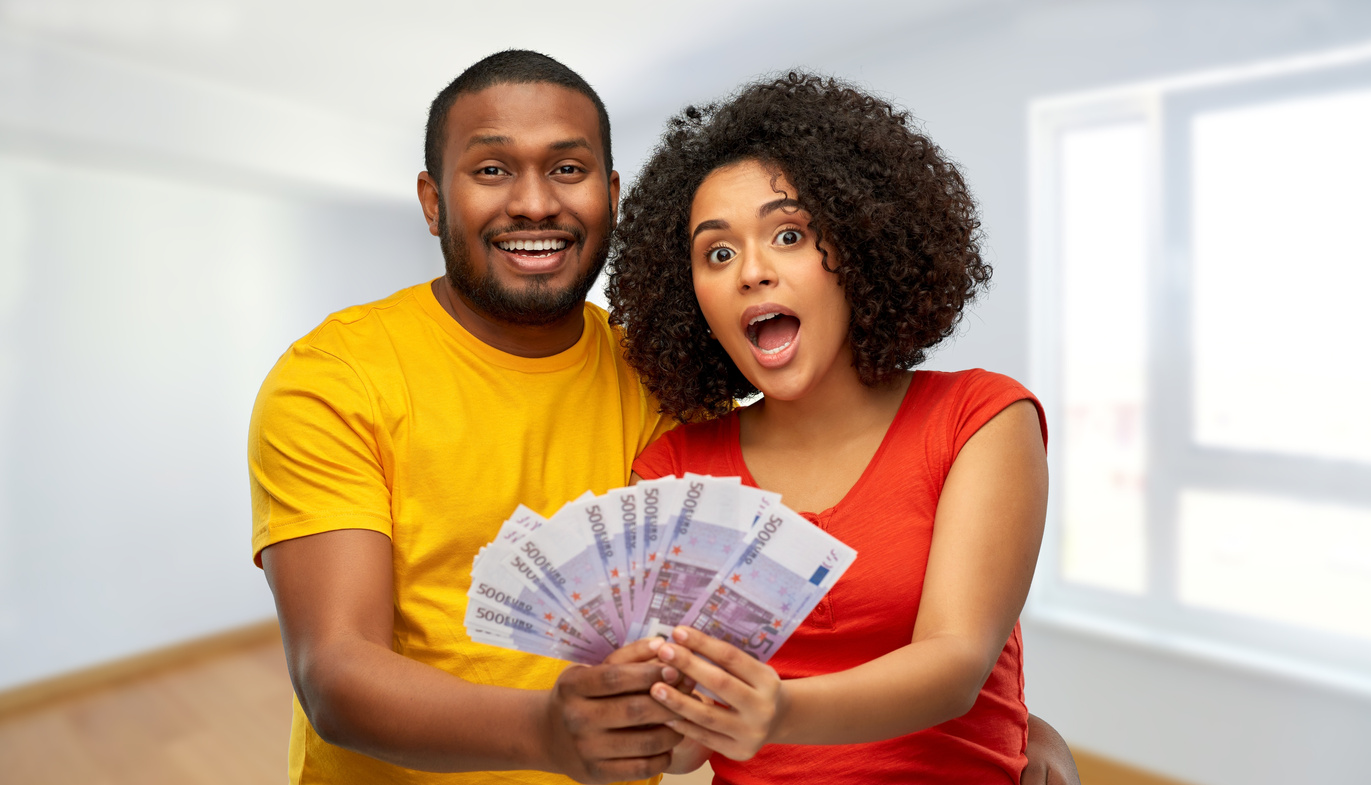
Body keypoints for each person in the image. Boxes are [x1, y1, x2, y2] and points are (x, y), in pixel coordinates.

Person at [250, 49, 1078, 785]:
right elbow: (334, 672)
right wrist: (551, 728)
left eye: (567, 169)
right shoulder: (335, 379)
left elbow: (920, 637)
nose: (534, 202)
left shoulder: (662, 386)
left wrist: (999, 722)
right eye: (492, 169)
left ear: (609, 197)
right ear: (433, 200)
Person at [607, 72, 1075, 784]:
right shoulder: (673, 472)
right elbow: (682, 749)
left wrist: (780, 710)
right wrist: (648, 709)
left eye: (787, 234)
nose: (751, 272)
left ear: (861, 243)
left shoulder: (979, 419)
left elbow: (953, 663)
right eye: (717, 252)